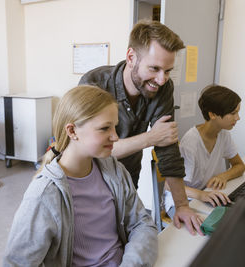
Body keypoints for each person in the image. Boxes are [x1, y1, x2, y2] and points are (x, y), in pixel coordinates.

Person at [3, 85, 158, 267]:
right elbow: (17, 263)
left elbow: (142, 224)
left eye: (115, 127)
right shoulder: (43, 195)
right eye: (104, 128)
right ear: (72, 131)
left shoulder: (114, 170)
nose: (115, 136)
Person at [79, 20, 203, 235]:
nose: (162, 79)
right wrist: (149, 138)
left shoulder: (162, 87)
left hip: (128, 175)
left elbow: (167, 147)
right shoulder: (94, 84)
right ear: (131, 57)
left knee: (122, 234)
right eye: (154, 68)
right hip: (90, 179)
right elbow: (92, 150)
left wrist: (182, 205)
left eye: (168, 71)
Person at [164, 84, 245, 217]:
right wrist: (202, 195)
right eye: (233, 113)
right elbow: (169, 186)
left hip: (207, 194)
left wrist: (223, 176)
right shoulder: (191, 142)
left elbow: (240, 166)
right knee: (213, 228)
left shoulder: (223, 135)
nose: (238, 118)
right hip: (182, 200)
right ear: (213, 114)